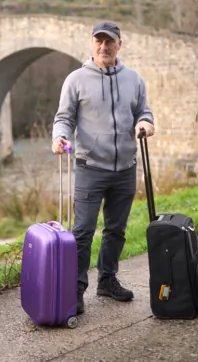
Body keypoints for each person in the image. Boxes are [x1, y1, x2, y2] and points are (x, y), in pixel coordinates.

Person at [51, 21, 155, 315]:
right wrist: (59, 137)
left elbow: (143, 112)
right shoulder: (75, 80)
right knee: (82, 231)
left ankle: (107, 281)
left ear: (119, 44)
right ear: (92, 44)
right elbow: (64, 118)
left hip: (125, 167)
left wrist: (146, 123)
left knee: (116, 230)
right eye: (99, 41)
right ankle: (76, 288)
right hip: (90, 166)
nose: (104, 46)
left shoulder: (134, 79)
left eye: (109, 41)